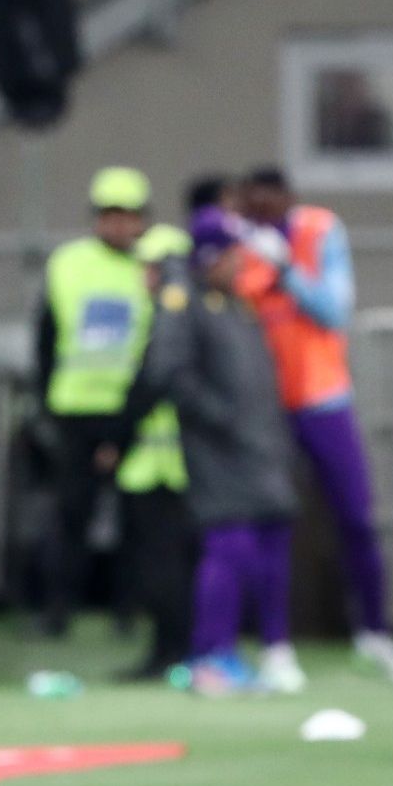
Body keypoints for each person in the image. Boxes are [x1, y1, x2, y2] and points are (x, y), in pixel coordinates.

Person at [236, 167, 393, 690]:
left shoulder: (320, 231)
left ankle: (377, 637)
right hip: (268, 407)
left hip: (323, 397)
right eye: (253, 207)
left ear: (287, 199)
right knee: (274, 524)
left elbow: (333, 310)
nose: (261, 215)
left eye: (268, 204)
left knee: (357, 518)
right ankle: (275, 647)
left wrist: (288, 270)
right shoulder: (244, 246)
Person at [116, 209, 300, 695]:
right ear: (212, 255)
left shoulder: (236, 304)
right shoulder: (188, 303)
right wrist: (219, 417)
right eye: (234, 253)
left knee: (258, 548)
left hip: (256, 448)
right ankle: (210, 656)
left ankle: (238, 652)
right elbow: (169, 373)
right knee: (228, 548)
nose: (241, 264)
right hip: (218, 450)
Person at [32, 166, 153, 636]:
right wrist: (44, 404)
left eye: (128, 216)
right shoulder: (67, 262)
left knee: (135, 519)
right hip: (74, 409)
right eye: (111, 215)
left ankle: (127, 613)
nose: (120, 225)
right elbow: (45, 336)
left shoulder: (152, 266)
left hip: (131, 413)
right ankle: (57, 612)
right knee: (69, 517)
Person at [107, 221, 196, 682]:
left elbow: (154, 382)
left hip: (166, 465)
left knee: (164, 565)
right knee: (167, 564)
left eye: (150, 267)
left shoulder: (174, 317)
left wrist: (116, 435)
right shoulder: (179, 315)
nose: (143, 275)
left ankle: (170, 654)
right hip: (163, 463)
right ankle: (169, 652)